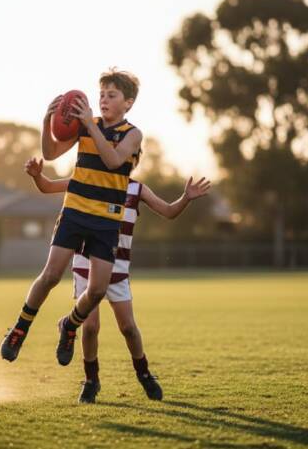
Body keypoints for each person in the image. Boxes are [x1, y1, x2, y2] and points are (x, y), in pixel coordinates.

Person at [24, 156, 211, 403]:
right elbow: (48, 186)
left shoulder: (136, 189)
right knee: (90, 327)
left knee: (129, 329)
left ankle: (144, 374)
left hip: (117, 268)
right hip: (86, 264)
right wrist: (37, 175)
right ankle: (91, 382)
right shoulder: (86, 180)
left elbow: (168, 211)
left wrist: (186, 197)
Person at [0, 69, 143, 367]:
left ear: (127, 103)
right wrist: (45, 122)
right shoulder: (85, 127)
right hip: (75, 212)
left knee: (97, 291)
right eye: (101, 94)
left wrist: (91, 124)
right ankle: (19, 328)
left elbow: (114, 160)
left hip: (106, 221)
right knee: (50, 275)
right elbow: (50, 153)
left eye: (112, 95)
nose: (103, 99)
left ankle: (69, 325)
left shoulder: (132, 134)